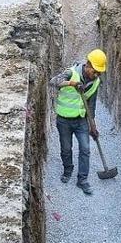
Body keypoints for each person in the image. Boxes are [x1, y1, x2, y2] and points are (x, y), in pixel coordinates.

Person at [49, 49, 107, 196]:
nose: (97, 75)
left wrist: (92, 126)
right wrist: (71, 83)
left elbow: (91, 105)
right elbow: (53, 82)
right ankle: (67, 170)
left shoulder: (95, 82)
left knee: (85, 149)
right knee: (66, 149)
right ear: (88, 65)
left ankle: (82, 180)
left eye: (99, 73)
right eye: (95, 71)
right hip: (64, 120)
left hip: (81, 120)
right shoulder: (71, 72)